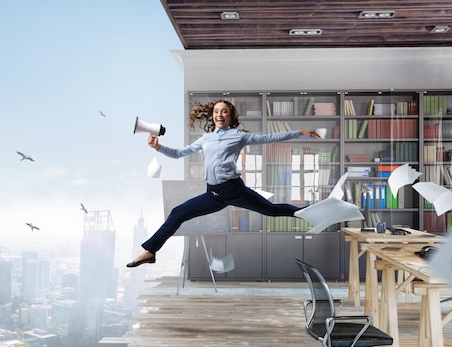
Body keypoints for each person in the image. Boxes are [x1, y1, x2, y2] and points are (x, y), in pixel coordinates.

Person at [127, 99, 320, 267]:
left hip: (235, 190)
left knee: (272, 210)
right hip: (213, 194)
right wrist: (158, 146)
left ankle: (312, 213)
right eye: (216, 111)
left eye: (224, 111)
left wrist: (299, 132)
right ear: (213, 116)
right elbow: (179, 154)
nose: (220, 114)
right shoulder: (206, 139)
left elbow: (268, 138)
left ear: (230, 115)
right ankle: (150, 251)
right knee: (178, 213)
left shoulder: (239, 136)